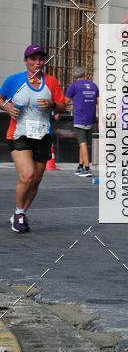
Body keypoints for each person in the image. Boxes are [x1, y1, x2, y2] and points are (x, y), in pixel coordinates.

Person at [0, 45, 68, 233]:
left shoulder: (51, 82)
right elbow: (1, 97)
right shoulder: (14, 80)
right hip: (18, 134)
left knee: (36, 180)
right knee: (28, 175)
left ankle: (19, 212)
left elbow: (63, 106)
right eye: (33, 59)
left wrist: (52, 104)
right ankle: (20, 213)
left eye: (40, 59)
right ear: (26, 61)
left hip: (43, 134)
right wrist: (6, 107)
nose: (37, 63)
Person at [66, 66, 99, 177]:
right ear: (85, 74)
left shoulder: (73, 86)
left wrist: (57, 111)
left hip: (80, 117)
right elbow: (98, 102)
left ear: (74, 75)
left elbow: (65, 102)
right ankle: (80, 166)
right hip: (91, 117)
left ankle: (87, 168)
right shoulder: (94, 86)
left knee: (82, 143)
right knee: (84, 143)